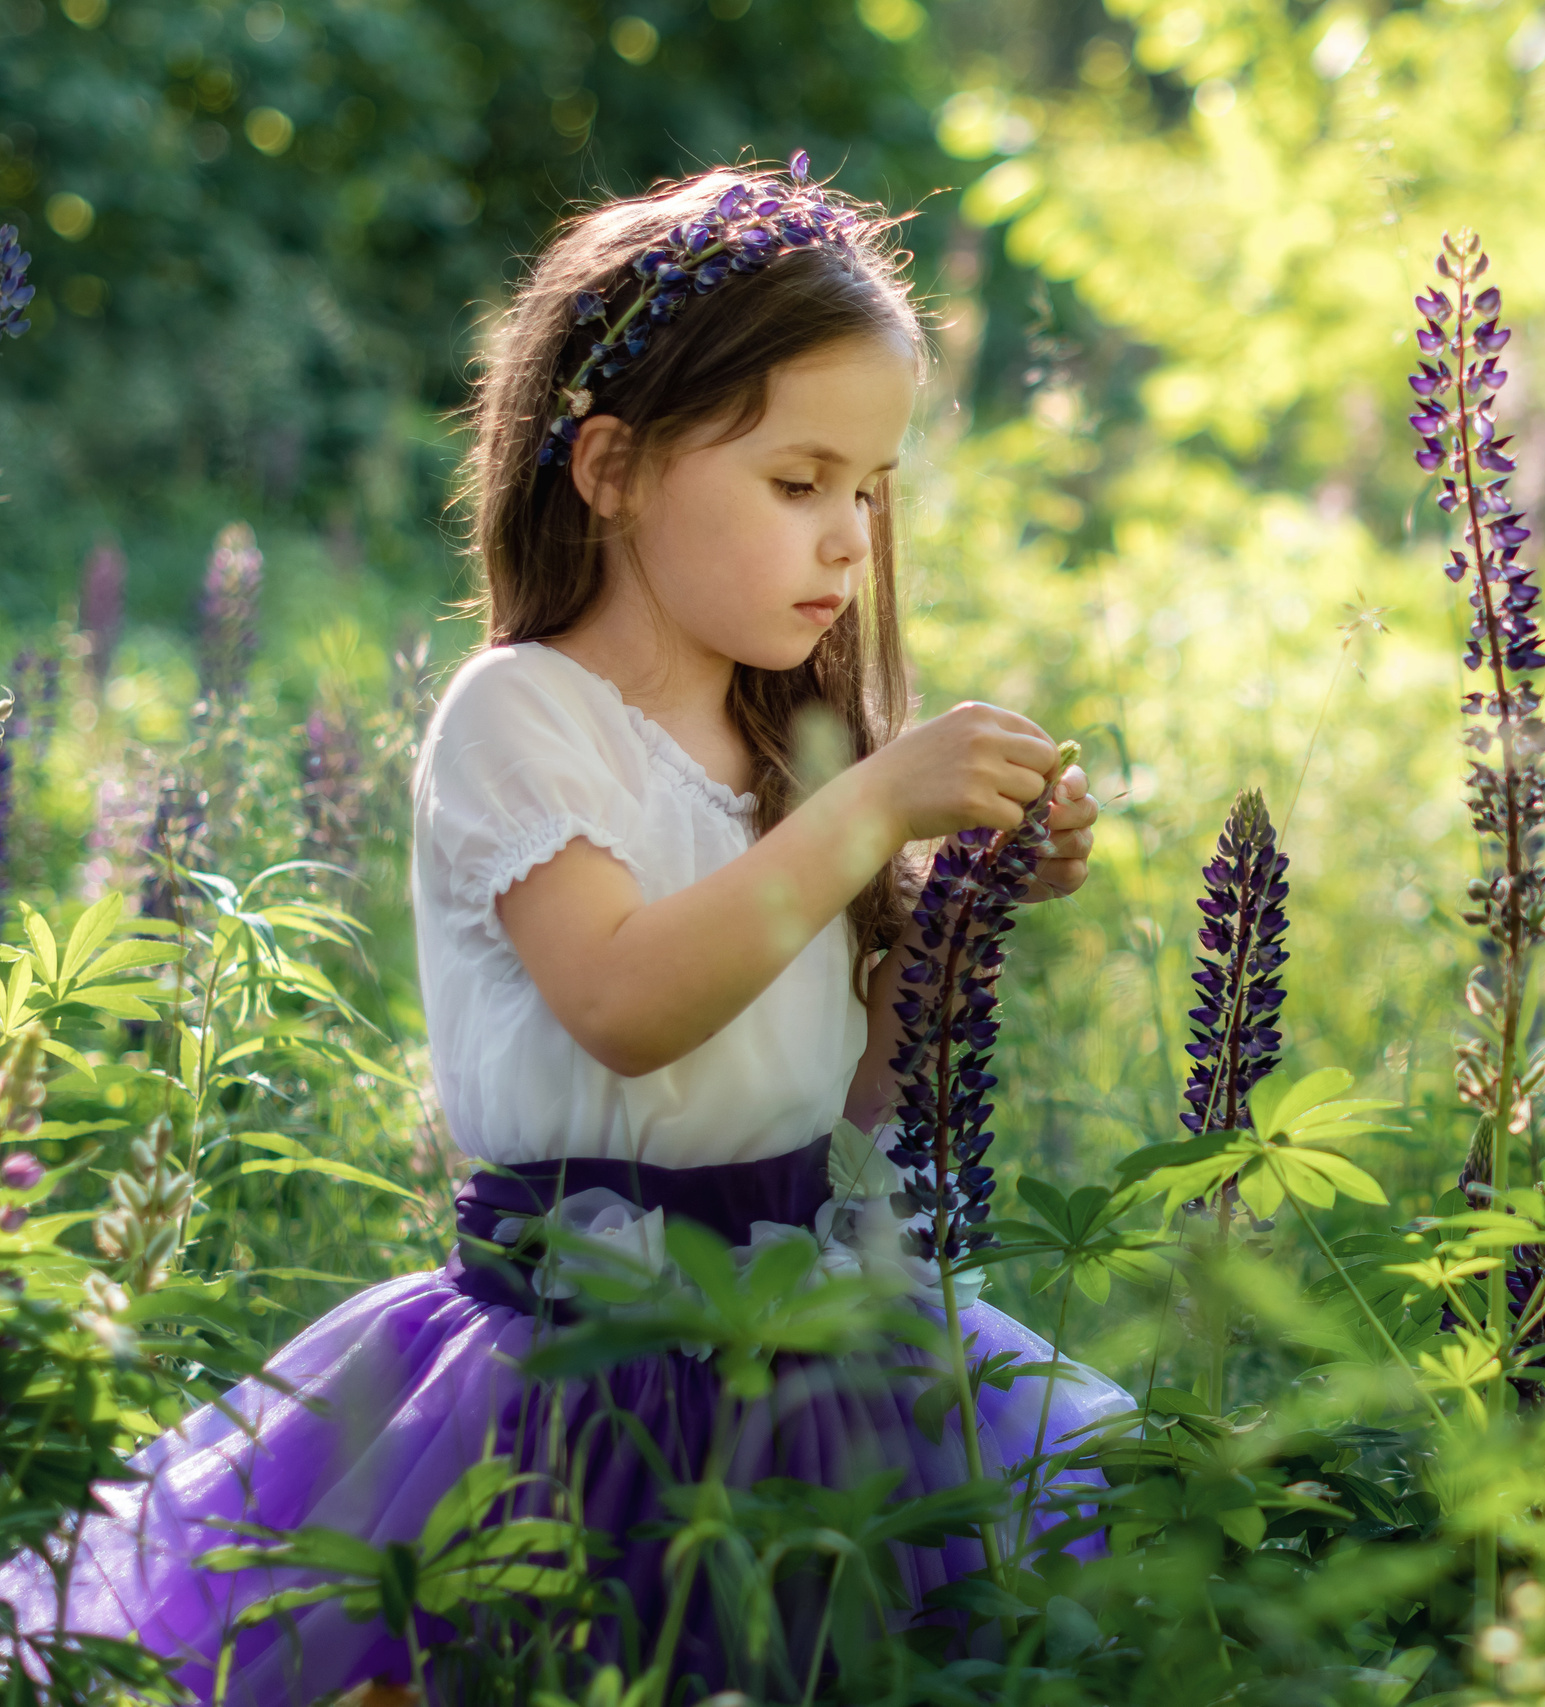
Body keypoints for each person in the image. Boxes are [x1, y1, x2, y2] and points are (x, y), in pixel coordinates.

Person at [1, 157, 1132, 1703]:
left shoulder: (798, 750)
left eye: (870, 490)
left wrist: (955, 911)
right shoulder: (520, 716)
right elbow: (624, 1003)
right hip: (570, 1373)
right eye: (798, 483)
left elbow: (856, 1103)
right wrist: (874, 809)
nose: (851, 541)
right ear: (611, 468)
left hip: (813, 1342)